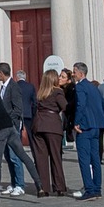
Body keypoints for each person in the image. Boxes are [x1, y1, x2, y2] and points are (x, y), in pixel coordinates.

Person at [67, 62, 104, 200]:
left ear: (81, 73)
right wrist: (99, 118)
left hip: (85, 127)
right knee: (95, 158)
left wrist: (77, 122)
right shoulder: (93, 87)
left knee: (84, 159)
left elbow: (81, 105)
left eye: (74, 72)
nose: (73, 74)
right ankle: (97, 188)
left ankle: (89, 189)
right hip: (96, 127)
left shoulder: (80, 87)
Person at [30, 69, 68, 197]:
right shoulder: (57, 92)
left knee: (41, 158)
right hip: (52, 125)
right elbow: (65, 107)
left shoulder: (41, 93)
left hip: (39, 124)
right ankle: (59, 186)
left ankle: (43, 188)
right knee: (56, 157)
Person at [0, 64, 34, 195]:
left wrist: (7, 120)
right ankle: (13, 183)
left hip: (12, 126)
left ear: (1, 73)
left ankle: (20, 184)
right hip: (3, 127)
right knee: (8, 156)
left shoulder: (14, 87)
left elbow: (18, 109)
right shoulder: (3, 87)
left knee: (15, 155)